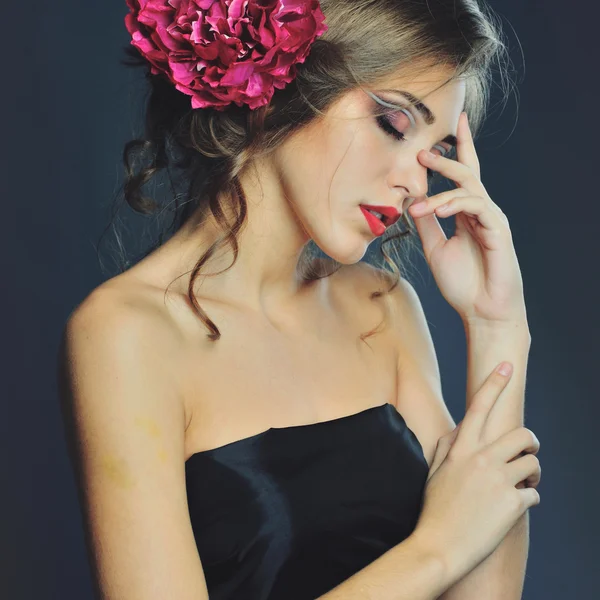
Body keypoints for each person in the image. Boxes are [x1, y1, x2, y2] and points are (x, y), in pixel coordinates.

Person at [57, 1, 541, 598]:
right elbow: (452, 545)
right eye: (393, 123)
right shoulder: (126, 334)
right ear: (290, 88)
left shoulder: (382, 307)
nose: (417, 184)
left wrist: (497, 326)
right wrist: (436, 548)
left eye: (435, 152)